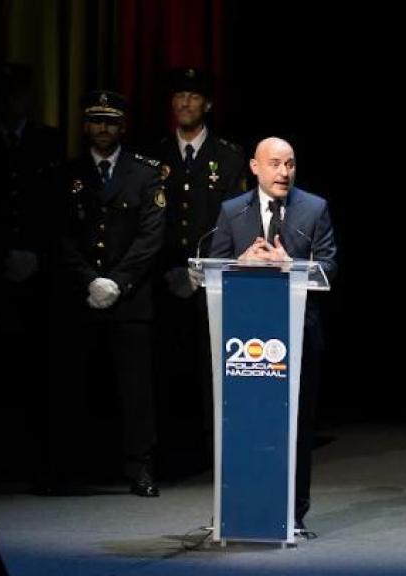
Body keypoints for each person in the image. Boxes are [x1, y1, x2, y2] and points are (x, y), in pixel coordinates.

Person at [208, 136, 337, 532]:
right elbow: (212, 263)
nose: (284, 172)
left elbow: (329, 267)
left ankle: (293, 515)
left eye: (290, 164)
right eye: (276, 164)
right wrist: (239, 262)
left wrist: (292, 265)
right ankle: (241, 507)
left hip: (299, 335)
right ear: (254, 167)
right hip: (244, 340)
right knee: (244, 421)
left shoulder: (314, 208)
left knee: (297, 424)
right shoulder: (232, 211)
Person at [45, 90, 166, 497]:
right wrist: (88, 281)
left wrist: (118, 281)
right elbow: (59, 235)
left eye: (111, 121)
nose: (103, 128)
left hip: (129, 297)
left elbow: (152, 236)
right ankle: (65, 468)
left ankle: (140, 468)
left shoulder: (146, 173)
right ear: (85, 126)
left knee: (135, 390)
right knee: (71, 386)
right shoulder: (65, 174)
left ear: (123, 127)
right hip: (79, 297)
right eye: (96, 120)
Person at [0, 62, 65, 482]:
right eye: (4, 95)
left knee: (38, 372)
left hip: (39, 273)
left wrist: (36, 255)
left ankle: (37, 464)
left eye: (19, 95)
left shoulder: (49, 142)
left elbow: (58, 208)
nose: (12, 103)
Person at [150, 67, 246, 476]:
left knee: (213, 372)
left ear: (207, 104)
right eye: (179, 96)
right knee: (161, 369)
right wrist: (171, 269)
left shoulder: (229, 156)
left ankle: (216, 455)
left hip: (213, 278)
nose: (185, 103)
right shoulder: (153, 155)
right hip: (163, 278)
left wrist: (203, 268)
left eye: (193, 96)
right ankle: (165, 454)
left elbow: (235, 219)